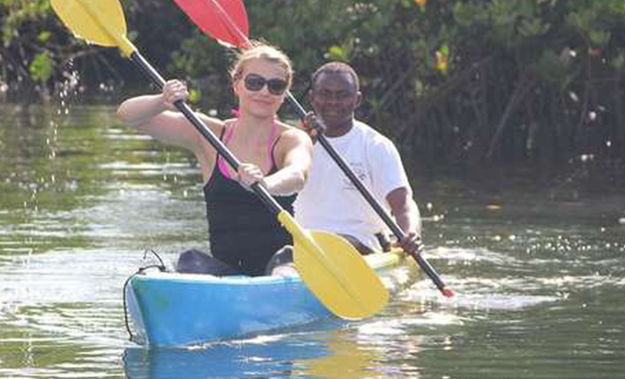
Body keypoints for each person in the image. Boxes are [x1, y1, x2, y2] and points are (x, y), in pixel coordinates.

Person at [116, 43, 314, 276]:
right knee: (189, 260)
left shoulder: (291, 138)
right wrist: (162, 100)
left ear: (284, 95)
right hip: (227, 271)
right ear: (236, 85)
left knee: (284, 267)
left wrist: (265, 184)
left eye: (276, 86)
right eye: (254, 82)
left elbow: (297, 174)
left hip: (281, 265)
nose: (264, 92)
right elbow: (129, 116)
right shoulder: (207, 133)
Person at [293, 61, 422, 256]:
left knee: (341, 244)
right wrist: (307, 142)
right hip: (302, 245)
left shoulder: (377, 146)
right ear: (312, 98)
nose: (333, 102)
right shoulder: (292, 143)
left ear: (357, 100)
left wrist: (409, 233)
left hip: (361, 245)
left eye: (343, 95)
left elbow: (403, 205)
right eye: (325, 94)